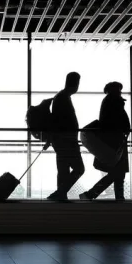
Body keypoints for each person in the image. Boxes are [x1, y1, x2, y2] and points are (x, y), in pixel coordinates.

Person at [81, 81, 130, 201]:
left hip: (113, 142)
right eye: (119, 89)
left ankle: (94, 194)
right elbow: (117, 121)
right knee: (118, 172)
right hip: (116, 142)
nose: (120, 92)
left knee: (117, 173)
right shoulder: (114, 101)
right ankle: (92, 194)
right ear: (113, 90)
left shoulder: (109, 101)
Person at [48, 72, 85, 202]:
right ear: (75, 83)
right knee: (79, 168)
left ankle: (60, 195)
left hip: (61, 140)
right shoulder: (63, 98)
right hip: (67, 140)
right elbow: (61, 121)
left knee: (63, 169)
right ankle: (60, 193)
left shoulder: (61, 97)